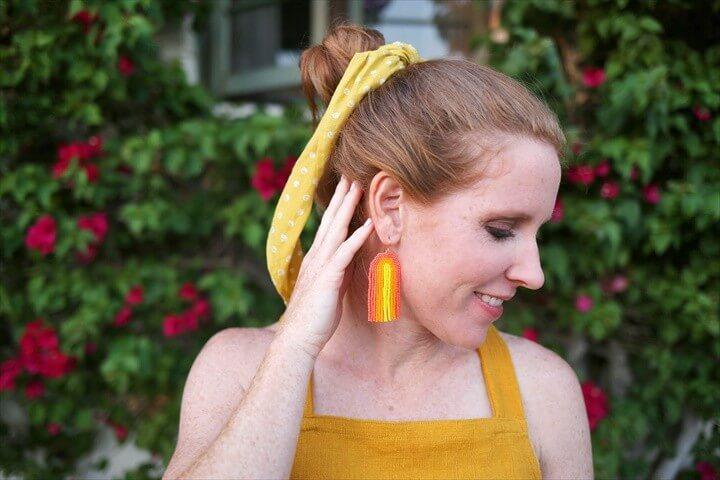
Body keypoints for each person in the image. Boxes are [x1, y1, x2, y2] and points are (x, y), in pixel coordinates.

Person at [163, 23, 593, 480]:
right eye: (502, 230)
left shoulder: (542, 390)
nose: (535, 274)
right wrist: (293, 351)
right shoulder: (236, 370)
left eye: (536, 233)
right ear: (391, 207)